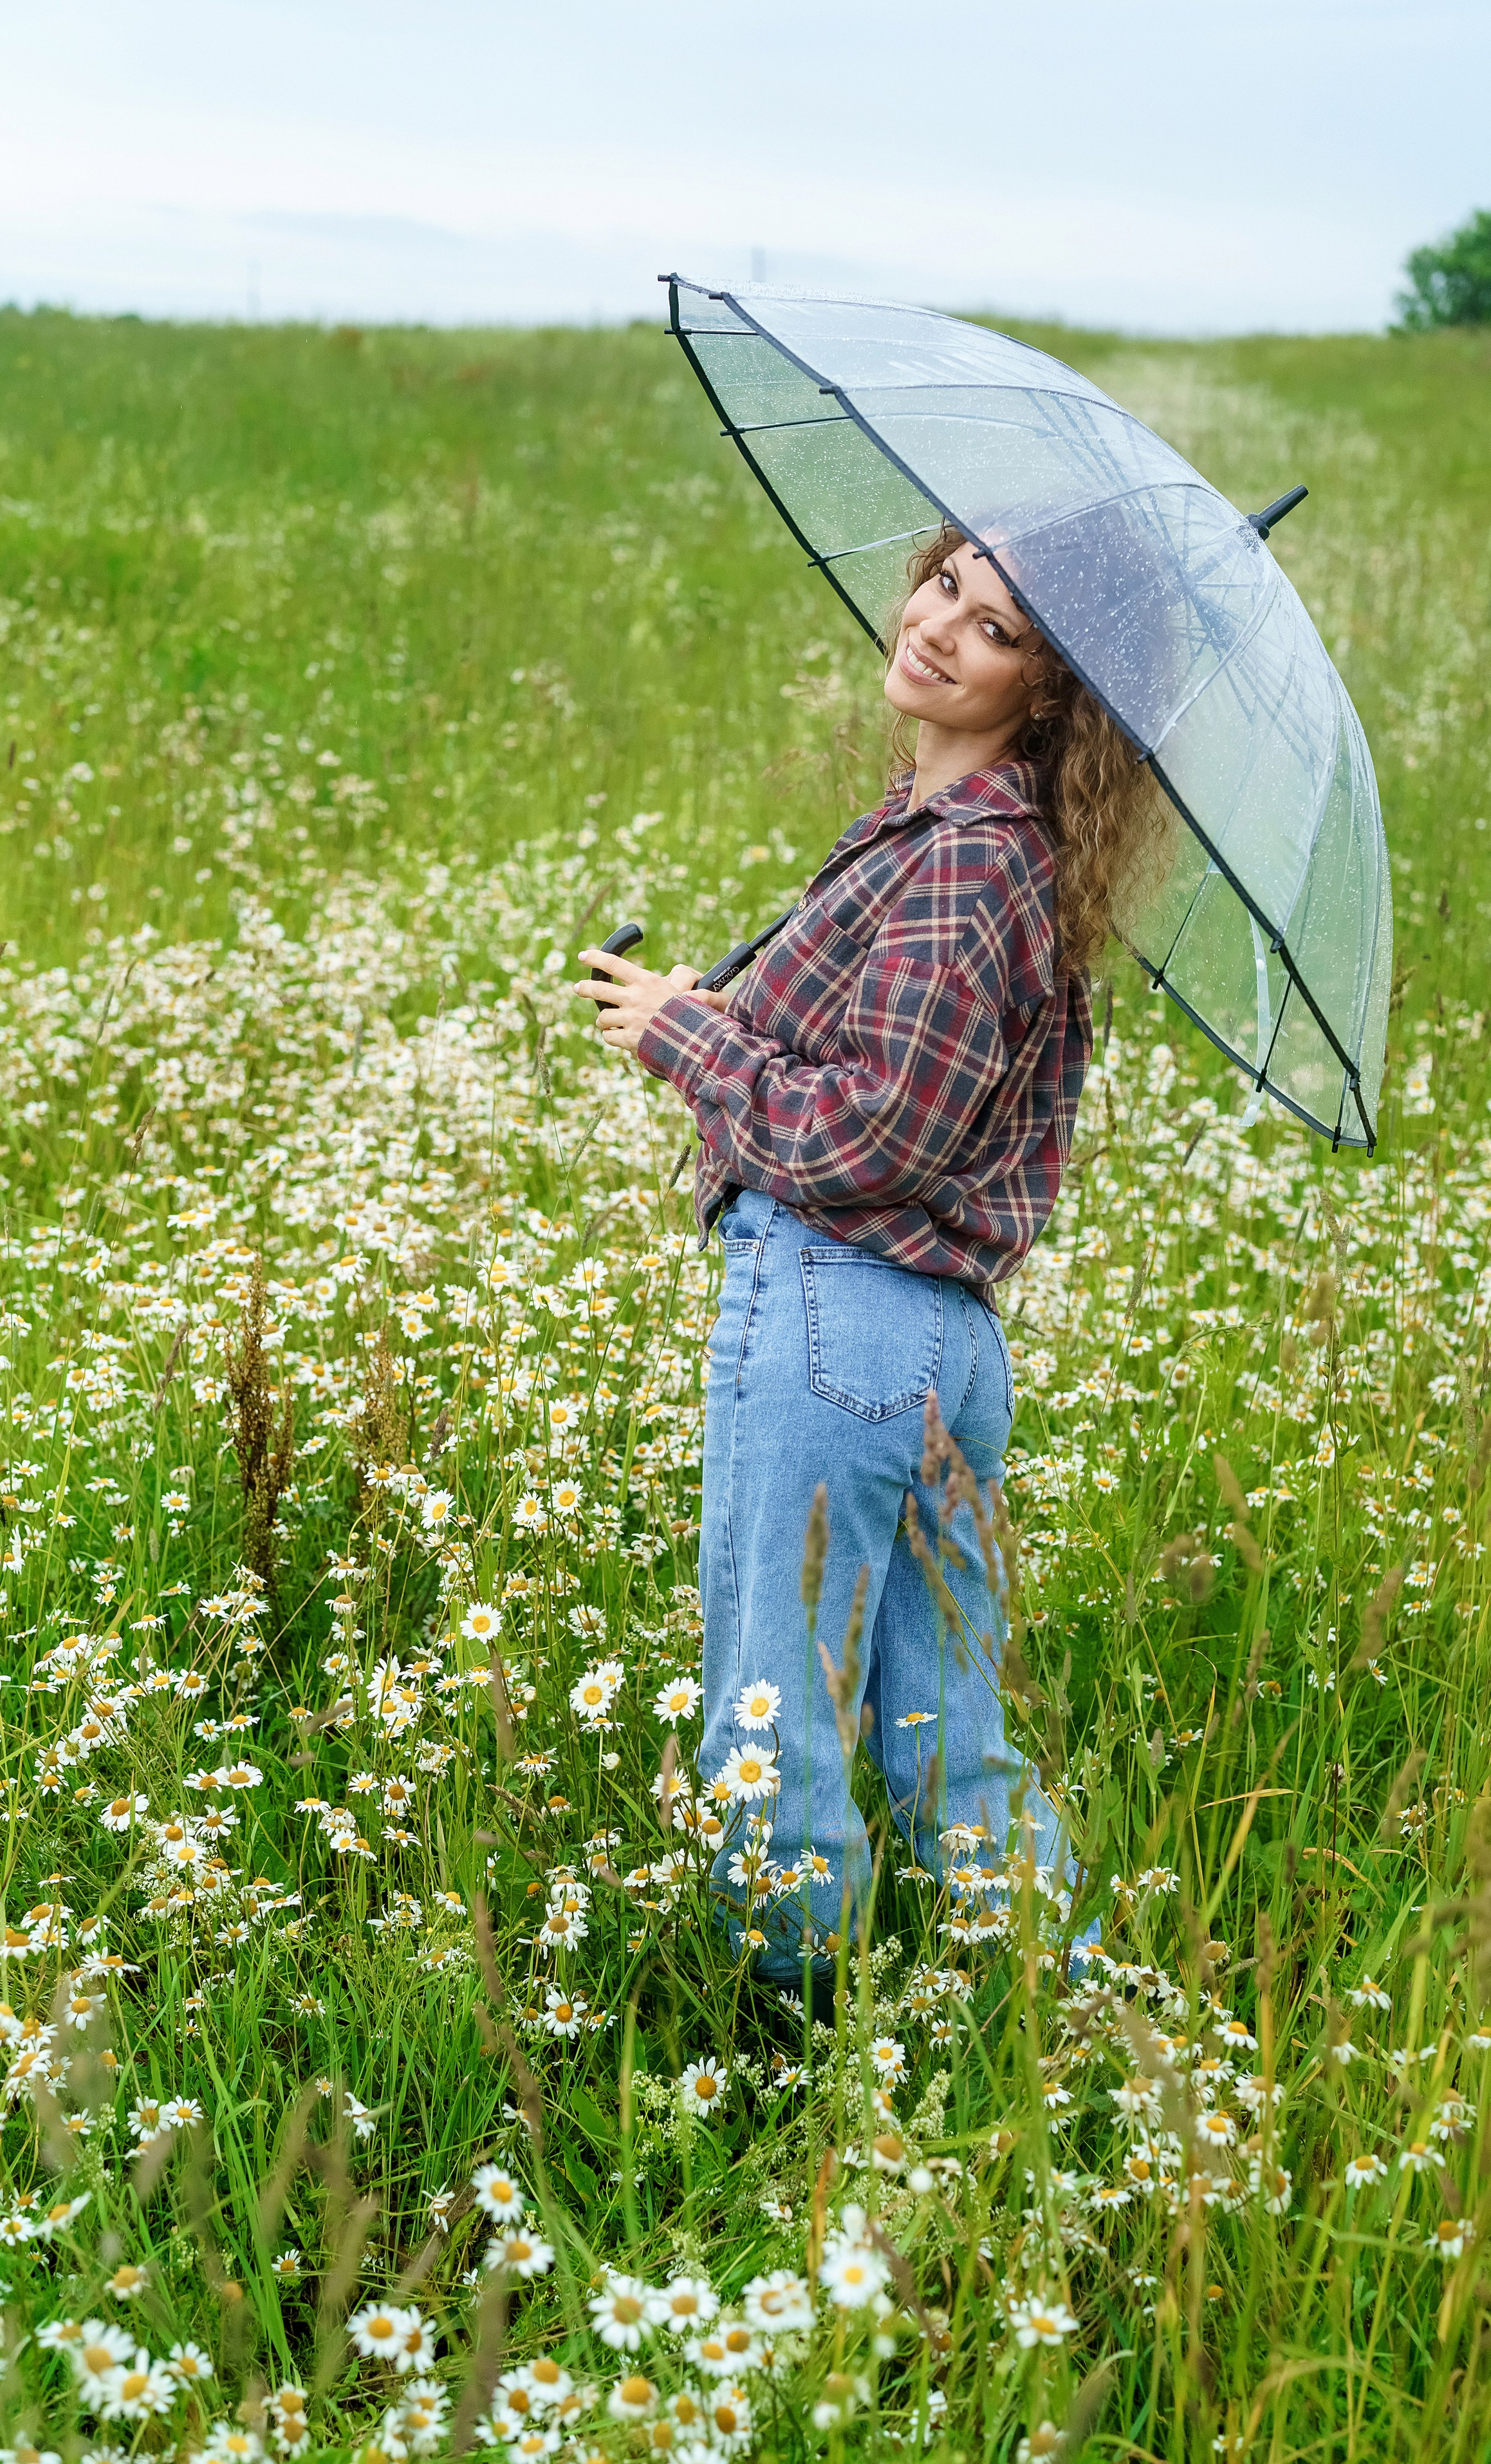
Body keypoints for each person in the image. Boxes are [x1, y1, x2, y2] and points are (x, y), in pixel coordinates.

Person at [576, 528, 1169, 2006]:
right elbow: (875, 1073)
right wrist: (716, 1015)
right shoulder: (957, 837)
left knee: (769, 1725)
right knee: (950, 1742)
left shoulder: (968, 864)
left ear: (1049, 693)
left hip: (836, 1317)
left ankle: (802, 2054)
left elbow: (874, 1141)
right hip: (935, 1345)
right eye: (946, 582)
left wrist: (685, 1039)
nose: (940, 626)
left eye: (999, 630)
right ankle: (1076, 2028)